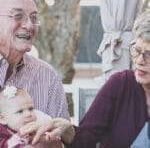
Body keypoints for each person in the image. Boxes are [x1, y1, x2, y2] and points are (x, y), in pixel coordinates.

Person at [35, 9, 150, 148]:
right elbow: (85, 139)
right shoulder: (120, 84)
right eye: (136, 50)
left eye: (149, 54)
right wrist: (68, 130)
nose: (139, 61)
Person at [0, 0, 69, 144]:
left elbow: (63, 139)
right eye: (18, 16)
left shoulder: (47, 75)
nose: (30, 25)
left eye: (34, 18)